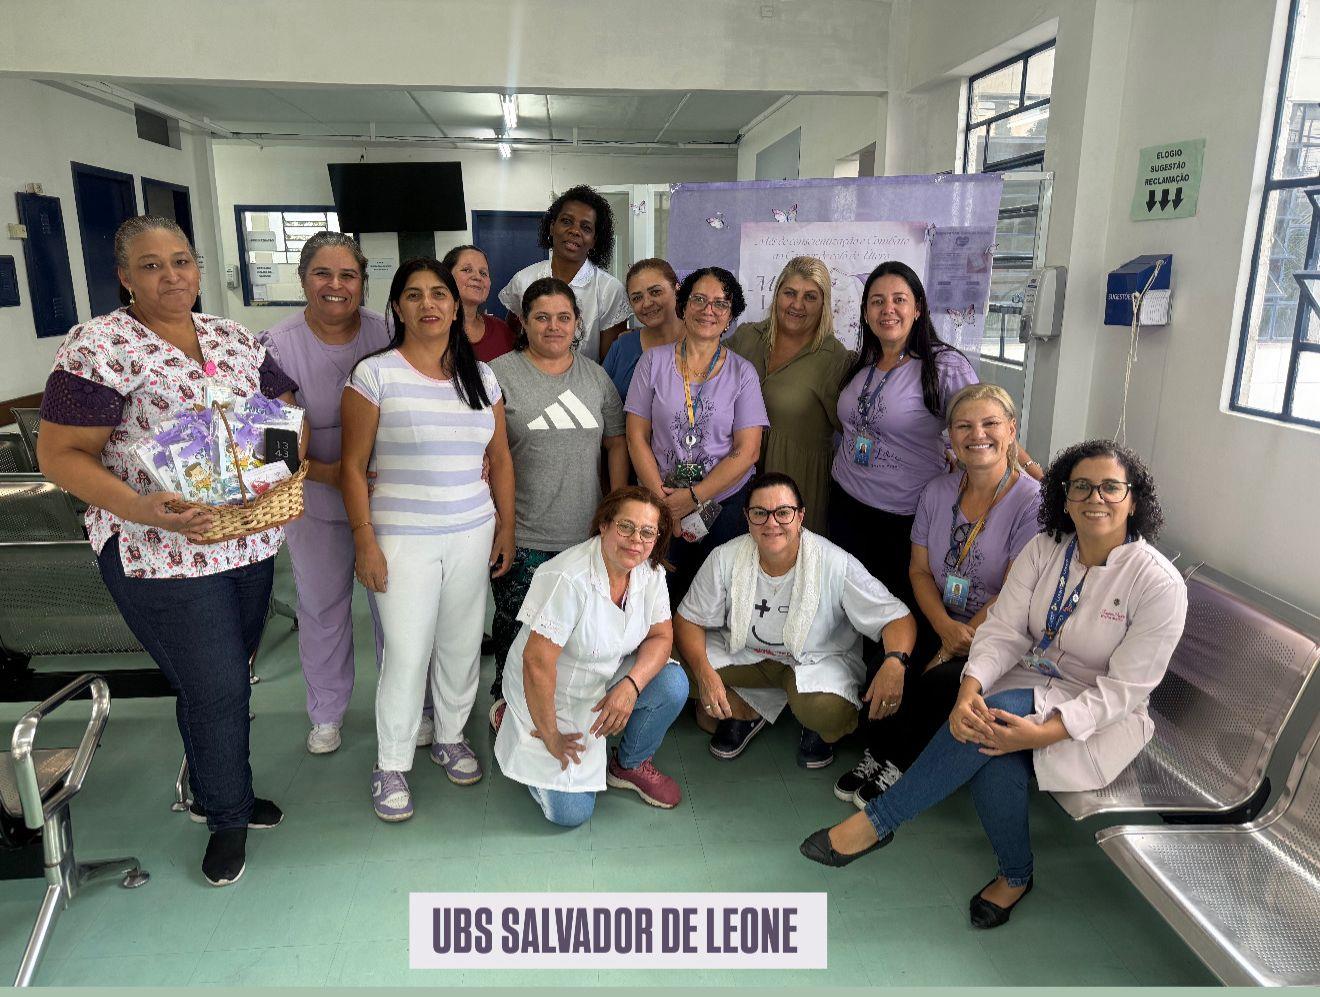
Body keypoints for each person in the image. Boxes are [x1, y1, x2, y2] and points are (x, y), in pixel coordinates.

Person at [802, 440, 1187, 931]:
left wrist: (1044, 733)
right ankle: (1016, 874)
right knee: (993, 749)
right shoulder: (1045, 548)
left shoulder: (1158, 583)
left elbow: (1124, 690)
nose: (1096, 498)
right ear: (1065, 497)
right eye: (1082, 487)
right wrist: (969, 689)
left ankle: (878, 822)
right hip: (1029, 676)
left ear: (1133, 500)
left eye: (1111, 487)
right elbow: (1004, 630)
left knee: (997, 714)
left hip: (1098, 710)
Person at [36, 215, 303, 886]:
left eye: (181, 261)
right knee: (215, 684)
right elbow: (59, 454)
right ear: (125, 277)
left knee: (229, 674)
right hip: (157, 549)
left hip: (244, 538)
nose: (171, 276)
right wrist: (137, 507)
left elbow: (281, 411)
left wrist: (280, 466)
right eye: (151, 265)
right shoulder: (100, 347)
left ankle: (217, 789)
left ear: (198, 267)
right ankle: (226, 813)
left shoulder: (231, 336)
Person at [341, 258, 515, 822]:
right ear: (397, 307)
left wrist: (506, 526)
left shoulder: (481, 376)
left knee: (462, 646)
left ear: (456, 304)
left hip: (472, 531)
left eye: (438, 293)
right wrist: (365, 541)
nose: (428, 304)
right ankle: (391, 763)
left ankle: (450, 736)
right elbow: (352, 467)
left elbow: (500, 459)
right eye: (413, 295)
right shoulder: (375, 375)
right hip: (402, 538)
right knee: (407, 652)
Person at [835, 384, 1042, 807]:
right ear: (950, 435)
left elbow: (1013, 592)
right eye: (964, 426)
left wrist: (954, 644)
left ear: (1011, 430)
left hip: (998, 629)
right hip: (939, 615)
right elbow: (919, 570)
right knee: (887, 662)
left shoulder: (1030, 502)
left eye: (989, 424)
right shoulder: (937, 490)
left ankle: (903, 763)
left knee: (938, 684)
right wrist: (944, 628)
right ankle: (878, 750)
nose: (976, 434)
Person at [674, 472, 916, 766]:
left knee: (828, 711)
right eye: (760, 513)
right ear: (747, 518)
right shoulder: (725, 557)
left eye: (783, 513)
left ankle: (807, 719)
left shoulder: (834, 562)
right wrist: (704, 673)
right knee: (671, 660)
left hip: (810, 661)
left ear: (801, 516)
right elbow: (688, 619)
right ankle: (747, 709)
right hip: (747, 656)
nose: (771, 523)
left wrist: (895, 662)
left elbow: (897, 617)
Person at [260, 231, 390, 755]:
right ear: (302, 279)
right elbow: (276, 445)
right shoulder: (275, 346)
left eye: (348, 275)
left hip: (386, 494)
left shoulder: (388, 332)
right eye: (322, 273)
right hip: (313, 493)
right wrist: (335, 475)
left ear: (363, 281)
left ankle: (410, 707)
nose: (336, 285)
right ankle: (327, 712)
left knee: (394, 607)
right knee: (321, 607)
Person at [494, 487, 689, 826]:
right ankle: (511, 719)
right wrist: (551, 735)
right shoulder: (568, 577)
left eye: (647, 532)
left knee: (673, 683)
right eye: (626, 527)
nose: (636, 540)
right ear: (604, 525)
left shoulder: (650, 572)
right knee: (570, 814)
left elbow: (661, 637)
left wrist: (631, 685)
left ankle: (628, 765)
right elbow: (537, 664)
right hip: (550, 694)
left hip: (604, 677)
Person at [487, 277, 629, 719]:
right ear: (524, 322)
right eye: (542, 317)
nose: (553, 326)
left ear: (577, 323)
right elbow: (486, 455)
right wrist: (503, 528)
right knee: (517, 633)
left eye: (563, 317)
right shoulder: (496, 375)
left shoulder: (596, 377)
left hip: (585, 538)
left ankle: (560, 713)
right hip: (522, 536)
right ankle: (508, 707)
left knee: (574, 637)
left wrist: (616, 511)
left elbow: (616, 442)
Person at [828, 261, 978, 610]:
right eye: (877, 301)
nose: (888, 309)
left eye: (899, 299)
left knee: (896, 613)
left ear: (918, 308)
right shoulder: (864, 360)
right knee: (850, 610)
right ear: (866, 312)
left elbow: (984, 428)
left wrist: (1030, 475)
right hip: (846, 503)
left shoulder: (944, 366)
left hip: (903, 518)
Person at [625, 267, 768, 607]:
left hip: (723, 504)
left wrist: (693, 497)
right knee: (660, 596)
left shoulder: (743, 373)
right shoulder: (652, 362)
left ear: (730, 315)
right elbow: (636, 437)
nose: (708, 310)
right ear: (684, 306)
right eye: (699, 300)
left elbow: (748, 451)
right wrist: (665, 504)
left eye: (721, 303)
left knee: (716, 599)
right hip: (659, 499)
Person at [727, 257, 851, 537]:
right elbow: (703, 368)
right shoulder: (746, 337)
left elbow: (855, 427)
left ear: (824, 304)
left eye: (810, 297)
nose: (797, 304)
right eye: (790, 293)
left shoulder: (834, 358)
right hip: (736, 480)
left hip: (797, 484)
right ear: (777, 294)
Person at [496, 185, 631, 363]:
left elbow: (610, 363)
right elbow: (512, 342)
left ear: (594, 240)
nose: (575, 231)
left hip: (587, 379)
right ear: (552, 227)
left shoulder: (610, 290)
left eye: (586, 227)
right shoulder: (523, 280)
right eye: (567, 221)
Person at [603, 258, 685, 402]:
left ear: (676, 289)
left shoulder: (701, 342)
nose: (646, 303)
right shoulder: (622, 347)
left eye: (655, 292)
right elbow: (599, 401)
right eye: (637, 298)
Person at [442, 244, 515, 363]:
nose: (477, 277)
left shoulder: (502, 331)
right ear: (446, 277)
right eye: (467, 270)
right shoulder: (433, 330)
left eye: (483, 273)